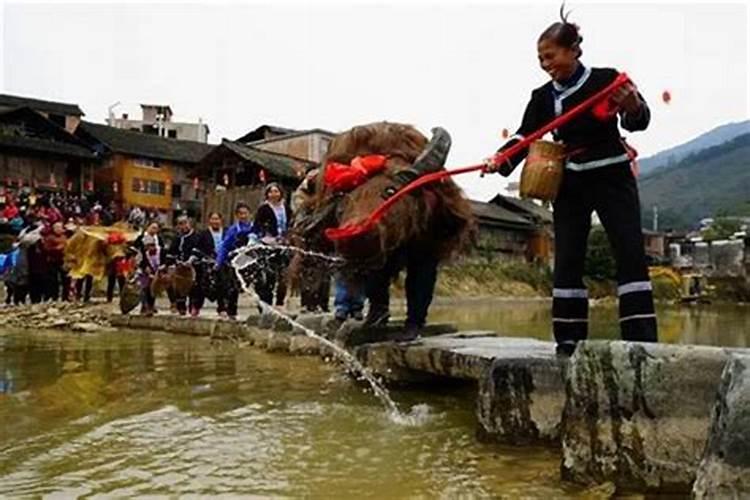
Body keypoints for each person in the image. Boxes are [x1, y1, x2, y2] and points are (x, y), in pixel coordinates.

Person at [484, 9, 658, 355]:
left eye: (551, 56)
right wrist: (500, 159)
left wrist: (633, 106)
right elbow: (525, 135)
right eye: (540, 58)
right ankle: (568, 343)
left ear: (574, 50)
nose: (545, 64)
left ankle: (641, 344)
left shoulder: (608, 80)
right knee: (567, 259)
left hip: (611, 174)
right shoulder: (542, 97)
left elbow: (639, 120)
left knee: (629, 252)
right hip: (571, 181)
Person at [252, 183, 291, 309]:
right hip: (268, 244)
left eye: (276, 191)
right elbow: (257, 226)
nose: (274, 194)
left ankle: (280, 302)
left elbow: (291, 223)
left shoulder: (286, 207)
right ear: (267, 194)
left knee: (283, 275)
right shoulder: (264, 208)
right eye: (271, 192)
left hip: (283, 244)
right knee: (268, 275)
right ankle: (265, 303)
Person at [166, 215, 214, 316]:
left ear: (190, 223)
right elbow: (171, 252)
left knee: (196, 288)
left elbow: (201, 250)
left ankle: (194, 307)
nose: (183, 226)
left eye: (185, 223)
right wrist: (172, 263)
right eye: (180, 224)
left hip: (195, 266)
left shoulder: (198, 236)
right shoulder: (177, 238)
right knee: (177, 286)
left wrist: (191, 260)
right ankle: (180, 307)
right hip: (180, 266)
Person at [215, 202, 255, 320]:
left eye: (245, 213)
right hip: (234, 261)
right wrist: (219, 262)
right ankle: (231, 312)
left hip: (251, 260)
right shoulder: (233, 230)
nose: (243, 216)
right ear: (237, 216)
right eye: (240, 214)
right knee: (232, 287)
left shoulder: (254, 228)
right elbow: (225, 246)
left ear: (250, 214)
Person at [42, 221, 69, 301]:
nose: (59, 229)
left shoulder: (64, 237)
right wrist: (57, 248)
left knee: (66, 280)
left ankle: (65, 297)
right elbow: (46, 249)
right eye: (57, 228)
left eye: (60, 227)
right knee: (54, 280)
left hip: (63, 260)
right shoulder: (50, 237)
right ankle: (55, 296)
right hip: (53, 261)